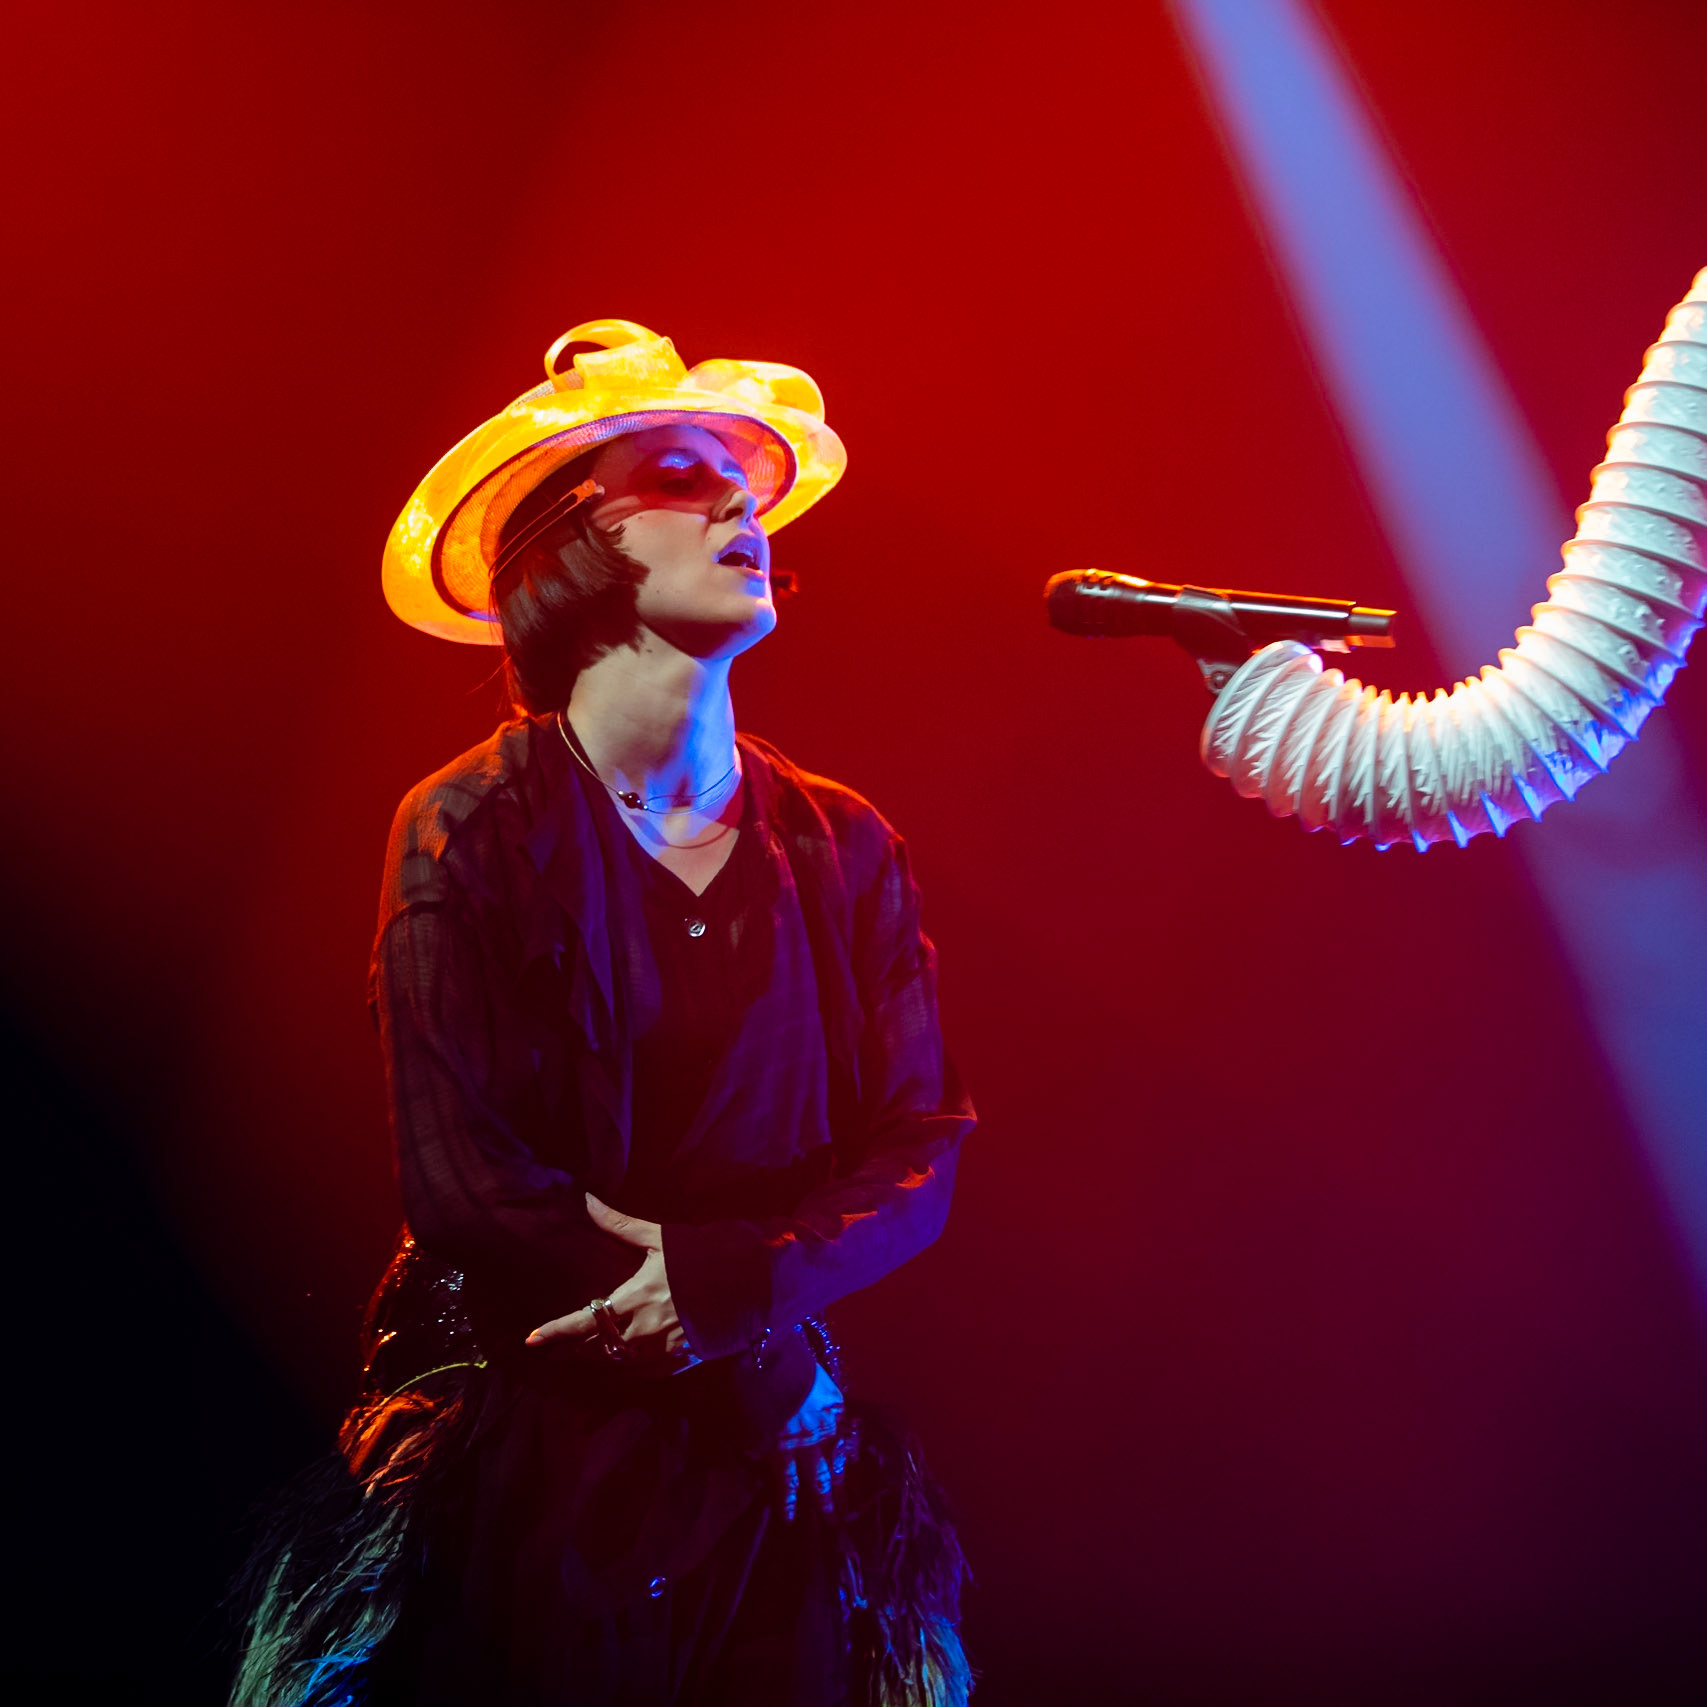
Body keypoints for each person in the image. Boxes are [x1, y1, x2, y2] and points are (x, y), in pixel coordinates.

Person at [229, 321, 975, 1706]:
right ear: (572, 547)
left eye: (749, 486)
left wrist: (738, 1295)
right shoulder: (467, 829)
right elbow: (466, 1180)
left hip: (780, 1486)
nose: (743, 505)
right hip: (555, 1462)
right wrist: (740, 1357)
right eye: (688, 478)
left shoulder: (845, 843)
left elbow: (919, 1150)